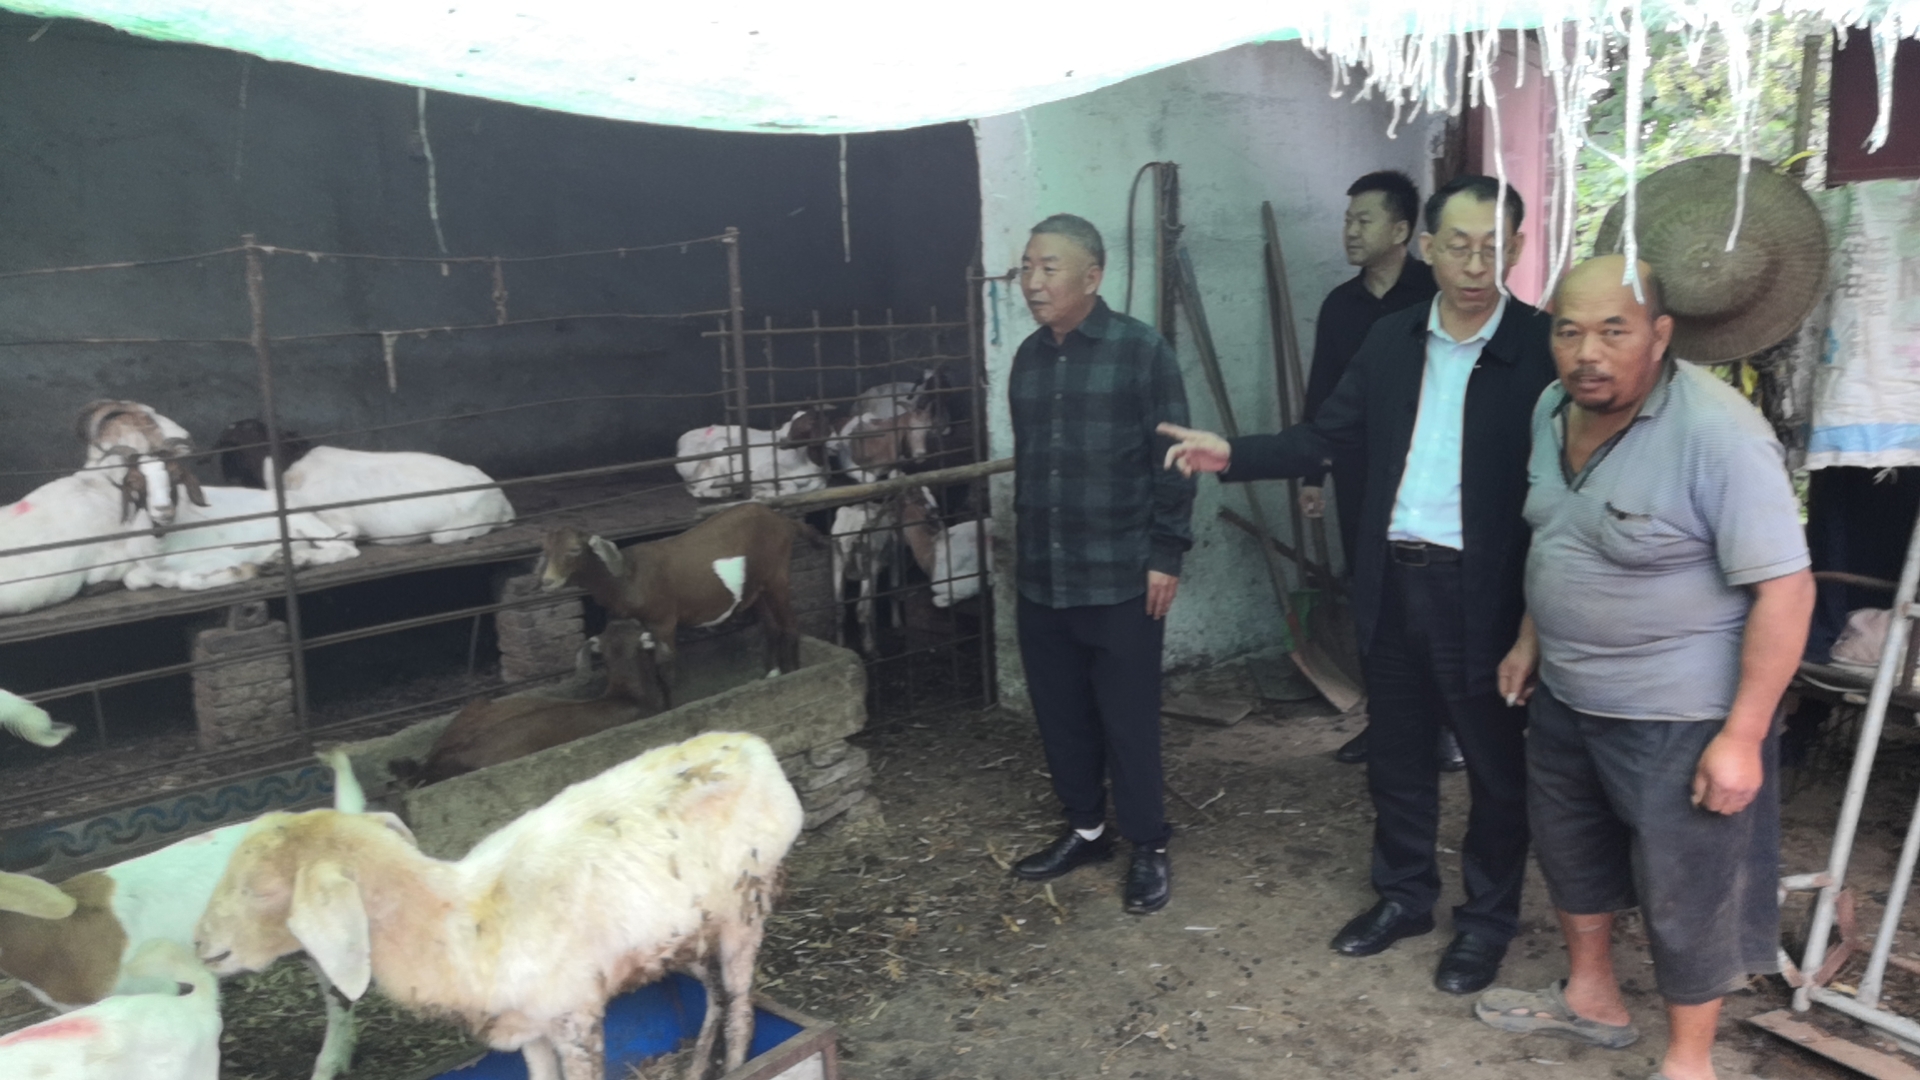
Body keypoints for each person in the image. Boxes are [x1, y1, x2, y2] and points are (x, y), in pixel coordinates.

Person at [1159, 175, 1553, 995]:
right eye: (1459, 245)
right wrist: (1232, 454)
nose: (1475, 263)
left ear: (1517, 249)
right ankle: (1404, 896)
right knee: (1398, 754)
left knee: (1494, 767)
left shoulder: (1542, 351)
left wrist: (1536, 622)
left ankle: (1485, 922)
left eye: (1493, 246)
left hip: (1484, 591)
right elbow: (1325, 436)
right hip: (1393, 578)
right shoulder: (1391, 338)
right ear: (1429, 248)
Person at [1476, 255, 1814, 1080]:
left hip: (1680, 713)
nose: (1587, 353)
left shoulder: (1719, 434)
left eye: (1613, 331)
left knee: (1685, 889)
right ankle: (1592, 998)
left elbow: (1787, 589)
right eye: (1568, 331)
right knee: (1570, 853)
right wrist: (1530, 638)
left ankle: (1689, 1063)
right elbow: (1559, 535)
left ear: (1660, 336)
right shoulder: (1553, 407)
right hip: (1568, 693)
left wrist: (1743, 735)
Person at [1005, 213, 1196, 915]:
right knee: (1060, 713)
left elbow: (1175, 461)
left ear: (1092, 276)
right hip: (1044, 575)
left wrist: (1165, 553)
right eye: (1026, 267)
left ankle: (1148, 844)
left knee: (1128, 719)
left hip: (1120, 575)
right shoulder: (1028, 359)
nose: (1033, 282)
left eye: (1048, 268)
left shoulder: (1142, 352)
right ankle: (1086, 830)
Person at [1299, 171, 1457, 773]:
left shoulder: (1435, 295)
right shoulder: (1340, 306)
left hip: (1428, 474)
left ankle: (1444, 726)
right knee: (1371, 594)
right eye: (1348, 220)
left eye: (1363, 220)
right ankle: (1384, 721)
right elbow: (1322, 395)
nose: (1350, 231)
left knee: (1432, 598)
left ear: (1401, 230)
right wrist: (1312, 474)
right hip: (1360, 473)